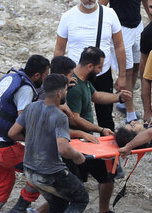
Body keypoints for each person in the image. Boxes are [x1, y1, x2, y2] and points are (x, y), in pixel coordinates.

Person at [0, 55, 49, 213]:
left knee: (4, 183)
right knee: (41, 169)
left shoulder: (11, 77)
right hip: (2, 148)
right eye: (45, 76)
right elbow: (23, 121)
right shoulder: (25, 89)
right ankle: (20, 210)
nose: (45, 79)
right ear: (37, 75)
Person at [8, 74, 89, 213]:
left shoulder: (31, 107)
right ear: (59, 93)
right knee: (80, 199)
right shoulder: (60, 116)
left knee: (59, 202)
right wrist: (77, 156)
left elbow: (12, 133)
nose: (66, 93)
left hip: (30, 171)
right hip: (50, 173)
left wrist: (36, 140)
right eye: (65, 90)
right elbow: (63, 148)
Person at [66, 46, 131, 213]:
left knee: (106, 176)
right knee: (72, 189)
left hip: (86, 141)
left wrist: (119, 97)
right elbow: (75, 118)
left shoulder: (84, 81)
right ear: (90, 66)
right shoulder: (74, 86)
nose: (101, 71)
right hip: (75, 143)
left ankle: (104, 211)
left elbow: (96, 97)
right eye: (100, 67)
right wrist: (101, 129)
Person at [54, 0, 126, 132]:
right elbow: (59, 49)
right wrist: (58, 78)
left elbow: (119, 45)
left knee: (106, 116)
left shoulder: (109, 14)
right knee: (75, 117)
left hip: (102, 73)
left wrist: (122, 76)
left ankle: (107, 148)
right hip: (76, 76)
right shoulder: (68, 16)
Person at [100, 0, 149, 123]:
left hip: (137, 25)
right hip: (120, 27)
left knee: (137, 66)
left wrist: (151, 17)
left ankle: (124, 101)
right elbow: (100, 6)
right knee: (127, 70)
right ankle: (130, 112)